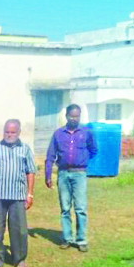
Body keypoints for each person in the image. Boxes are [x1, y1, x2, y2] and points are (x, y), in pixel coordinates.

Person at [45, 104, 97, 252]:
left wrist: (83, 160)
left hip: (79, 174)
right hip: (63, 174)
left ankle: (81, 240)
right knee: (65, 208)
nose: (74, 119)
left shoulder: (86, 132)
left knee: (80, 208)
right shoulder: (58, 134)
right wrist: (48, 175)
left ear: (80, 116)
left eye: (77, 116)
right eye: (71, 116)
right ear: (66, 116)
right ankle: (67, 238)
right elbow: (50, 155)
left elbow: (94, 150)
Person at [0, 119, 37, 267]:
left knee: (20, 230)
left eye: (13, 132)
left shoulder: (25, 149)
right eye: (7, 132)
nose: (9, 135)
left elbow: (30, 171)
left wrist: (30, 194)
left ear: (19, 132)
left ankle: (19, 260)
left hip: (18, 196)